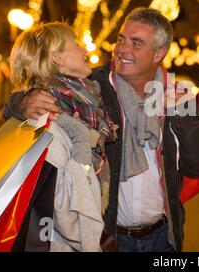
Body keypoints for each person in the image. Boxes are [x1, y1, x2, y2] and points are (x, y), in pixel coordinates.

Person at [4, 8, 199, 252]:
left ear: (159, 53)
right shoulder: (94, 88)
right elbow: (38, 89)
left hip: (163, 237)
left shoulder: (176, 96)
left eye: (136, 43)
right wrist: (22, 103)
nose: (123, 49)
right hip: (111, 239)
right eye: (121, 39)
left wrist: (184, 115)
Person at [8, 22, 118, 251]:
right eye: (76, 44)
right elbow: (63, 211)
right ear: (57, 57)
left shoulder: (84, 103)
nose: (85, 50)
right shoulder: (52, 122)